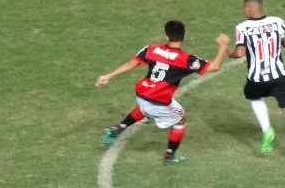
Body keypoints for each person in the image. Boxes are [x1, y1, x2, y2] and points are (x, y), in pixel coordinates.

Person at [95, 20, 230, 164]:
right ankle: (169, 156)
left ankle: (118, 128)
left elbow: (130, 64)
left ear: (166, 36)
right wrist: (223, 46)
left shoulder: (150, 49)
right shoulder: (186, 59)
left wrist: (107, 76)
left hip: (142, 94)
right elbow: (214, 67)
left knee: (145, 107)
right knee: (180, 120)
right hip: (157, 101)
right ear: (184, 35)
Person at [226, 0, 285, 174]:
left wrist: (226, 52)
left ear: (248, 9)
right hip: (280, 77)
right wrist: (284, 38)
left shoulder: (242, 27)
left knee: (253, 96)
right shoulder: (278, 22)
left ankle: (267, 129)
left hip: (257, 78)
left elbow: (239, 53)